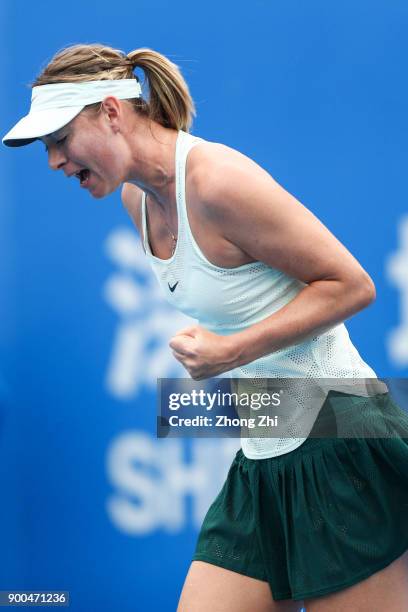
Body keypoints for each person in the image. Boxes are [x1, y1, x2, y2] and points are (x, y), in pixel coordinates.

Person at [3, 43, 408, 612]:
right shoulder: (134, 202)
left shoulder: (217, 180)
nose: (53, 161)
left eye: (61, 139)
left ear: (112, 113)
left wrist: (231, 351)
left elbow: (352, 285)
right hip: (265, 447)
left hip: (339, 436)